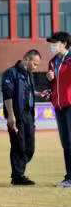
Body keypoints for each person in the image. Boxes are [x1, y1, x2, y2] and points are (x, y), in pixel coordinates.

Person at [1, 50, 43, 186]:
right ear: (26, 59)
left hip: (29, 115)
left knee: (30, 148)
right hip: (16, 115)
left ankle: (18, 173)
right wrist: (11, 115)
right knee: (18, 146)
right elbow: (7, 95)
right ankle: (18, 176)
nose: (35, 67)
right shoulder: (11, 73)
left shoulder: (29, 74)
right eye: (35, 64)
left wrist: (38, 93)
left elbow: (27, 91)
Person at [46, 32, 71, 188]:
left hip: (70, 105)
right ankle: (69, 177)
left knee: (70, 141)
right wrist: (49, 79)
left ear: (64, 43)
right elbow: (54, 85)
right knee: (66, 143)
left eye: (54, 43)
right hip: (59, 106)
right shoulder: (52, 61)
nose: (52, 46)